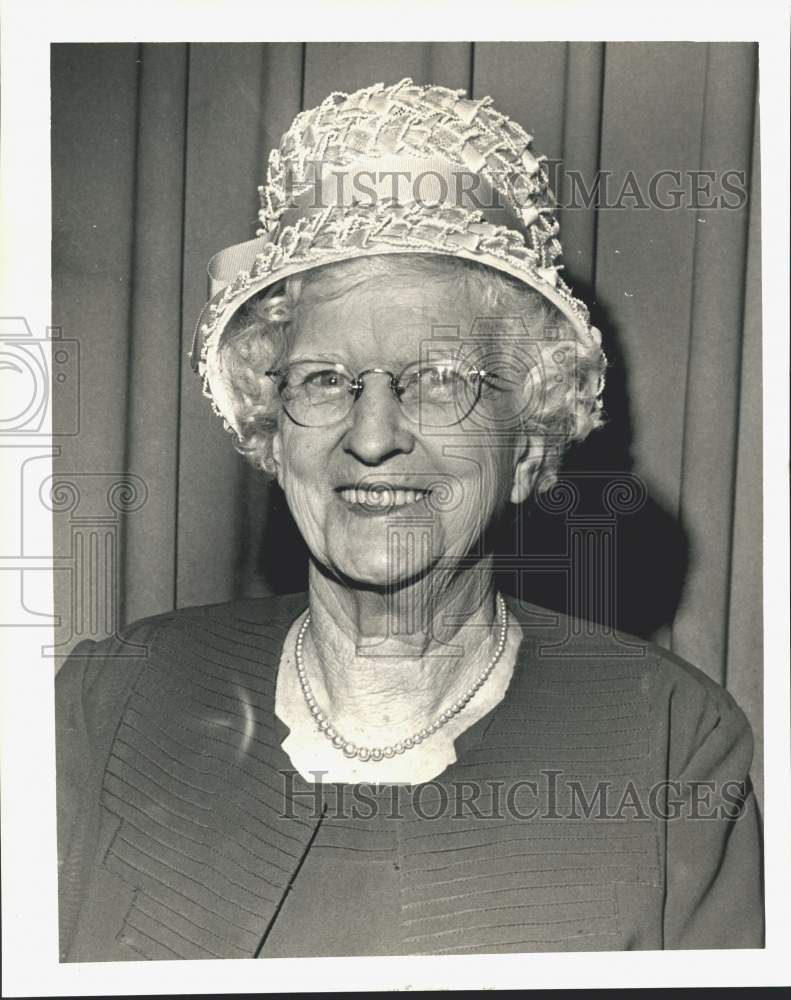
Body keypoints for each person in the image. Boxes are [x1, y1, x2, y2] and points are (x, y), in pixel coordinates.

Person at [56, 78, 763, 960]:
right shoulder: (104, 702)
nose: (374, 436)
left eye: (440, 380)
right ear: (273, 433)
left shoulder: (671, 745)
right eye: (323, 380)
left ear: (531, 442)